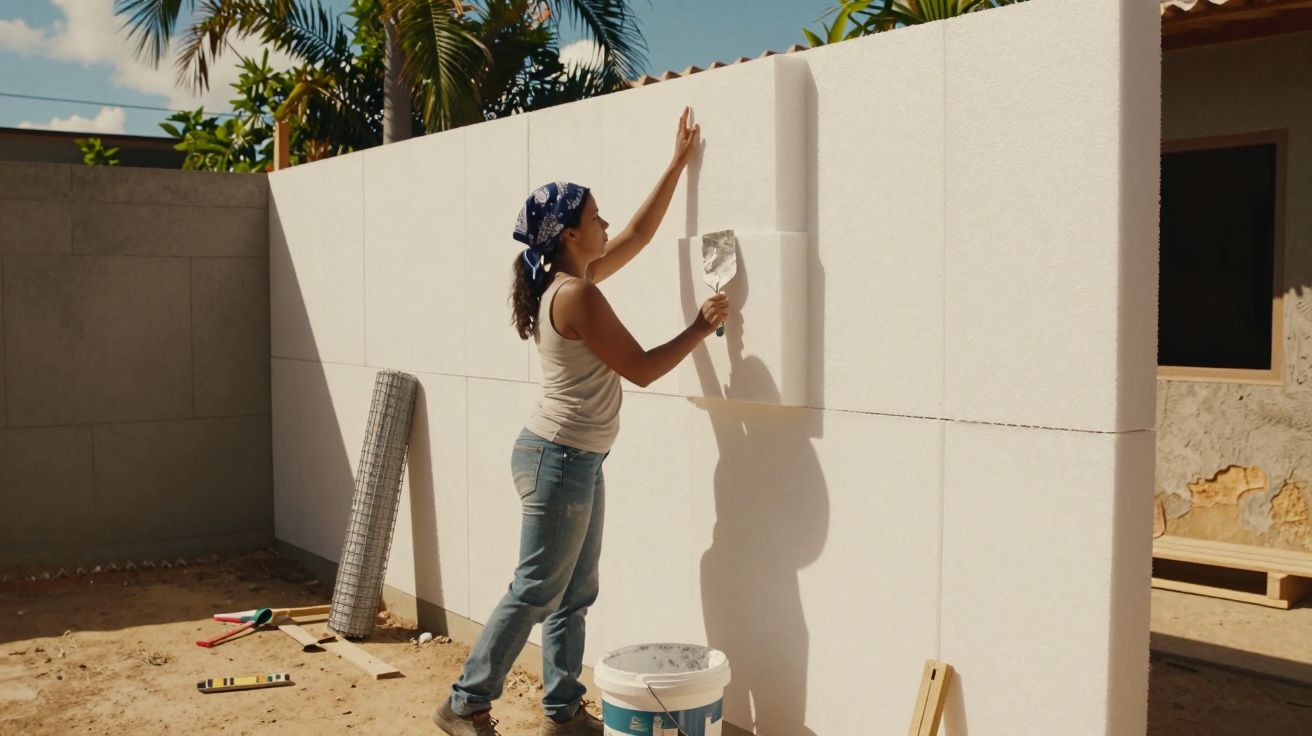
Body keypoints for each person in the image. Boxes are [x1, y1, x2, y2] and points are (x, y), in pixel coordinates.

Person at [433, 108, 728, 736]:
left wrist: (677, 163)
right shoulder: (577, 295)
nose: (606, 224)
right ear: (569, 233)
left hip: (574, 458)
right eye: (595, 217)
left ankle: (563, 712)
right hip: (559, 458)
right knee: (538, 589)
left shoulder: (573, 279)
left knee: (573, 592)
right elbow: (641, 369)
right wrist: (700, 327)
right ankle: (464, 702)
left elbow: (640, 235)